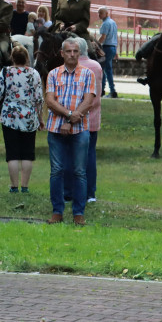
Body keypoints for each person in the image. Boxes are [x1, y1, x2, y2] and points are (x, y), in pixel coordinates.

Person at [44, 38, 96, 226]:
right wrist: (68, 116)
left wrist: (72, 118)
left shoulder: (88, 74)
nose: (72, 54)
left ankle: (78, 213)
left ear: (79, 53)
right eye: (68, 51)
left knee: (79, 171)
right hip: (56, 129)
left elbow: (88, 100)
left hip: (80, 129)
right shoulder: (53, 74)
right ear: (62, 53)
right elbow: (49, 100)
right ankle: (57, 211)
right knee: (57, 171)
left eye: (75, 51)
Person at [0, 45, 43, 194]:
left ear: (12, 58)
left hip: (10, 116)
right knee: (28, 153)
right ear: (27, 58)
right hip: (29, 116)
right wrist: (40, 118)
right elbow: (39, 99)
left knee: (12, 153)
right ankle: (25, 186)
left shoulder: (5, 72)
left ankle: (14, 186)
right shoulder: (34, 73)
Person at [71, 37, 102, 204]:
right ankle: (90, 193)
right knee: (90, 155)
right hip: (93, 119)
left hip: (74, 118)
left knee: (71, 155)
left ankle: (70, 192)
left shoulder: (73, 67)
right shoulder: (96, 66)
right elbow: (99, 93)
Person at [97, 7, 118, 98]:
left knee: (104, 70)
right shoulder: (113, 22)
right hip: (112, 47)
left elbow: (103, 37)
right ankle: (109, 90)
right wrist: (115, 50)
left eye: (101, 13)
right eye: (98, 13)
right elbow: (115, 37)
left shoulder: (106, 23)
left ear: (106, 14)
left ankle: (106, 90)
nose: (99, 15)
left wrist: (97, 44)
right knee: (107, 69)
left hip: (107, 48)